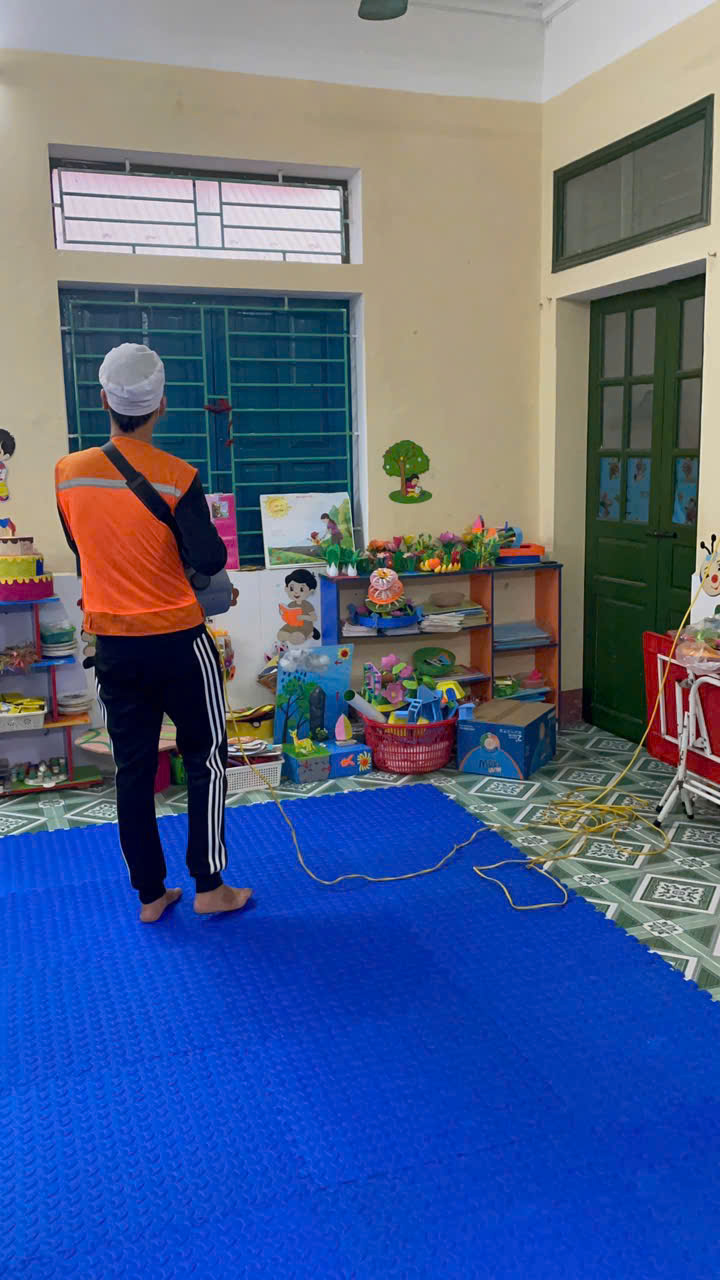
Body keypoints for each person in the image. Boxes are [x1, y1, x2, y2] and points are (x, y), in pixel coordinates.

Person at [56, 343, 252, 923]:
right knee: (206, 757)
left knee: (134, 769)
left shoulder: (68, 474)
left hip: (113, 646)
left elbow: (81, 547)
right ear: (161, 406)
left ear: (103, 400)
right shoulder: (178, 476)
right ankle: (209, 886)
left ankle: (150, 895)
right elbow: (210, 559)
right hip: (179, 642)